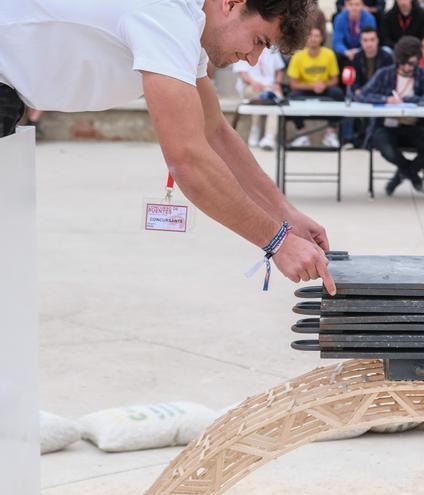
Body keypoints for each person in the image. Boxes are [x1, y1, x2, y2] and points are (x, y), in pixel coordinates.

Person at [0, 0, 336, 292]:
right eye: (259, 41)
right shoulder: (165, 16)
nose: (253, 59)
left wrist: (286, 215)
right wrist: (277, 242)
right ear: (232, 3)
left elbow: (214, 134)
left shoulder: (187, 24)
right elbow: (188, 160)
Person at [357, 36, 424, 195]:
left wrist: (407, 100)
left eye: (412, 64)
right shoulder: (385, 73)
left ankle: (399, 176)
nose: (408, 67)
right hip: (388, 126)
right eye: (404, 63)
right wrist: (385, 99)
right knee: (385, 147)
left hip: (415, 126)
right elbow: (362, 95)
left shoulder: (423, 74)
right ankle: (412, 174)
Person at [287, 26, 343, 148]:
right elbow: (293, 84)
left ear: (321, 38)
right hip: (306, 90)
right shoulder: (298, 56)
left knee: (338, 93)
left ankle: (330, 133)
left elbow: (335, 80)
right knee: (291, 98)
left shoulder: (329, 54)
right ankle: (302, 134)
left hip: (324, 89)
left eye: (316, 36)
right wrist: (312, 86)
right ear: (306, 38)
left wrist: (323, 85)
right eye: (311, 36)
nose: (313, 39)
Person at [233, 47, 286, 150]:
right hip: (251, 85)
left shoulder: (272, 49)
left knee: (277, 101)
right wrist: (253, 83)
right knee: (258, 97)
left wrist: (277, 83)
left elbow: (279, 70)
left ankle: (270, 137)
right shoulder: (244, 46)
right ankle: (255, 130)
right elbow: (243, 74)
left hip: (270, 87)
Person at [333, 0, 378, 68]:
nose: (354, 7)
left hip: (363, 51)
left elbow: (370, 39)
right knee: (335, 55)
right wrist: (346, 52)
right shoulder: (339, 19)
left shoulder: (369, 19)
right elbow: (337, 41)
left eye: (357, 4)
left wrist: (358, 51)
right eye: (351, 4)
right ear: (346, 6)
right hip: (345, 52)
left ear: (362, 5)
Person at [352, 27, 395, 92]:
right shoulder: (357, 57)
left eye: (372, 40)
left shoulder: (386, 57)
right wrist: (357, 90)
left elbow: (389, 81)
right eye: (365, 40)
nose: (369, 44)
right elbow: (356, 80)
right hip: (362, 93)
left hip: (380, 93)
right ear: (361, 41)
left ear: (377, 40)